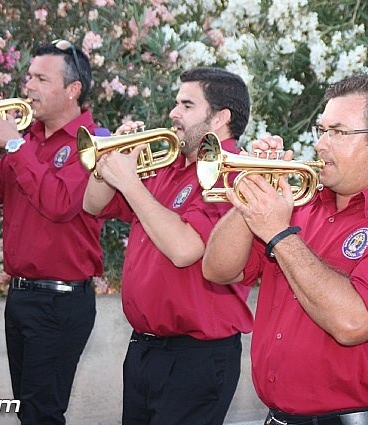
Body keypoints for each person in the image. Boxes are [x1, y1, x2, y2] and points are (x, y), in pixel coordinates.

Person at [202, 73, 368, 425]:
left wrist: (281, 234)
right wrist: (251, 188)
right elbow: (218, 270)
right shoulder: (301, 205)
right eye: (322, 130)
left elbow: (352, 322)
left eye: (338, 132)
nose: (321, 144)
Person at [82, 66, 254, 425]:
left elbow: (185, 249)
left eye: (187, 105)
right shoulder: (168, 165)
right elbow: (93, 205)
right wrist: (109, 162)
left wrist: (131, 183)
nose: (173, 113)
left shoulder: (232, 173)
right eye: (176, 103)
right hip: (145, 349)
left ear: (221, 117)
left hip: (197, 356)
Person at [0, 40, 110, 425]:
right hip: (22, 297)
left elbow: (61, 204)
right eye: (29, 76)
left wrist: (12, 143)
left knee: (42, 413)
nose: (28, 86)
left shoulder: (93, 142)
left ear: (72, 90)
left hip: (61, 302)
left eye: (41, 78)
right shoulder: (26, 143)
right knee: (29, 413)